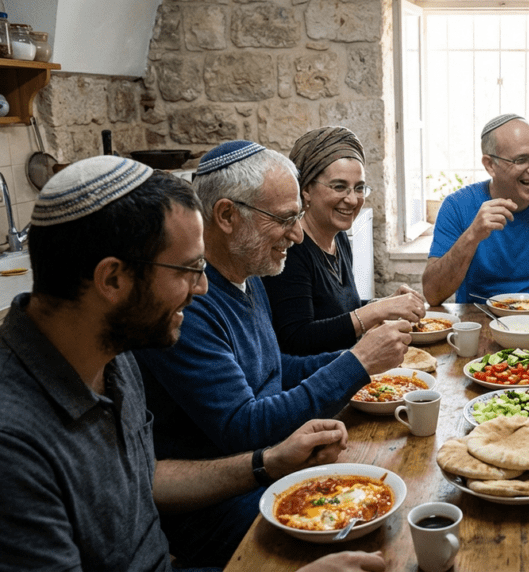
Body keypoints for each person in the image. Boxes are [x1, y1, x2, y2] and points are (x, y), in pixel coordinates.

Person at [0, 156, 385, 572]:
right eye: (187, 269)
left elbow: (145, 479)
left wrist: (266, 462)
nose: (202, 287)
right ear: (112, 280)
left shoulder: (114, 357)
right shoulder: (15, 441)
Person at [133, 141, 410, 567]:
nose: (298, 235)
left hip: (269, 469)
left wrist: (365, 360)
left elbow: (277, 370)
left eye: (296, 216)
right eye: (284, 219)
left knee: (394, 482)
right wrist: (357, 363)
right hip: (218, 503)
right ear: (226, 216)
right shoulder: (189, 305)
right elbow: (243, 427)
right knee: (378, 540)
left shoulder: (250, 270)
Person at [263, 126, 425, 355]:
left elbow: (340, 314)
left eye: (359, 188)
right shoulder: (290, 249)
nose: (352, 200)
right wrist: (377, 311)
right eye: (339, 186)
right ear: (306, 189)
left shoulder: (338, 237)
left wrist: (386, 304)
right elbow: (296, 339)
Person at [423, 114, 529, 306]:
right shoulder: (457, 206)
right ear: (490, 165)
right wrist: (472, 235)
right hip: (481, 320)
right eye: (521, 160)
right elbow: (432, 294)